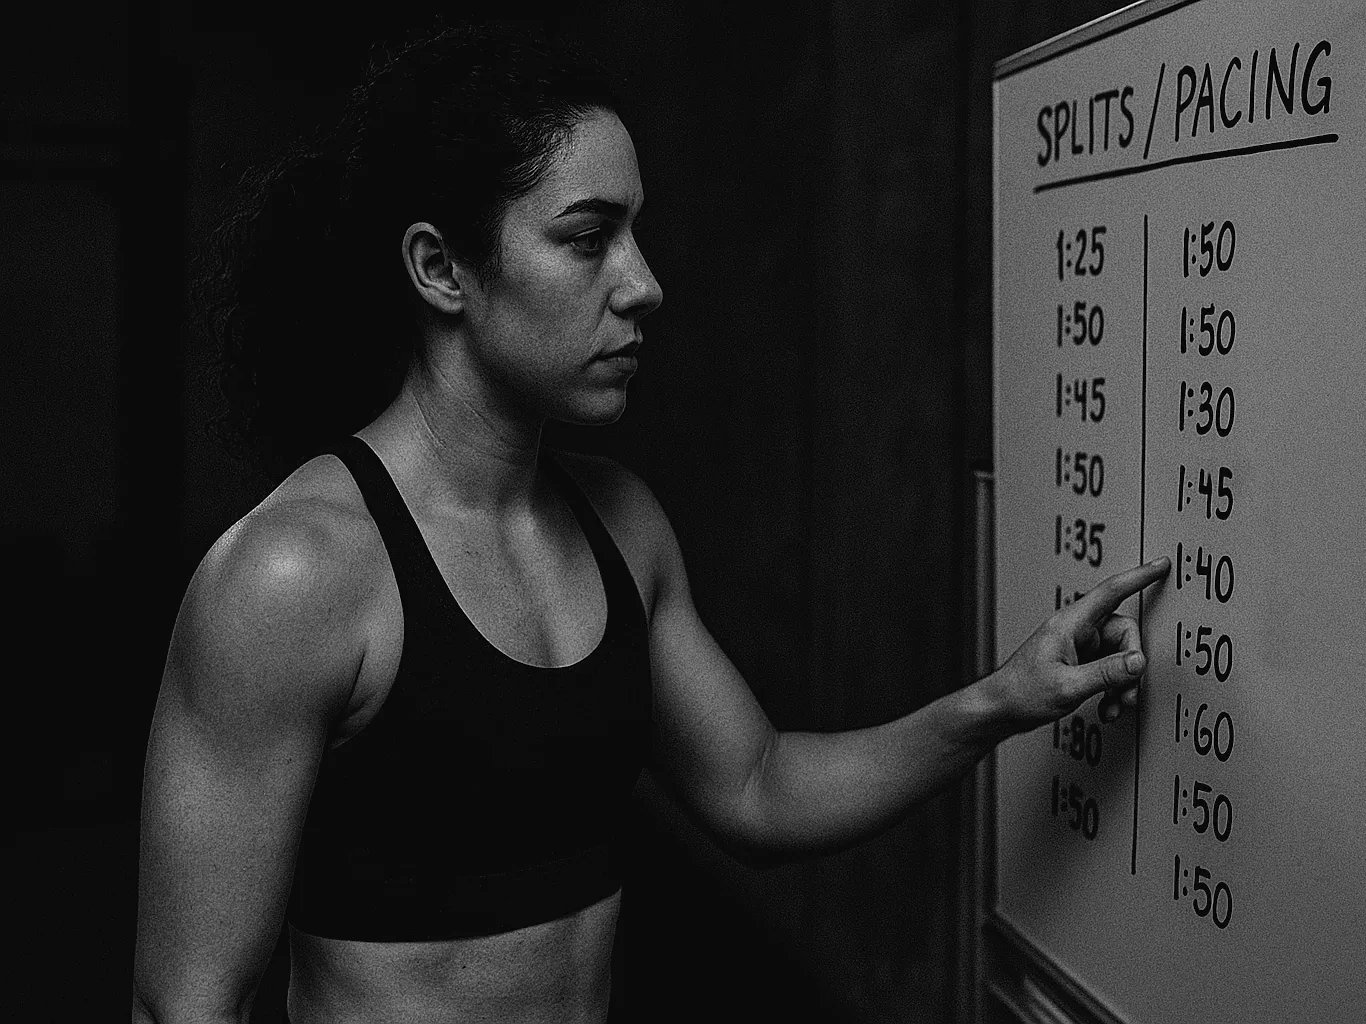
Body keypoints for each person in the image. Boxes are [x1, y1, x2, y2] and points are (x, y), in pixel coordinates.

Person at [133, 19, 1170, 1024]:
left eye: (634, 233)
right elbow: (186, 1000)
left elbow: (758, 787)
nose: (644, 284)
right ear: (441, 269)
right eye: (588, 239)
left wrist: (1001, 699)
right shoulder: (294, 573)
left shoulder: (622, 525)